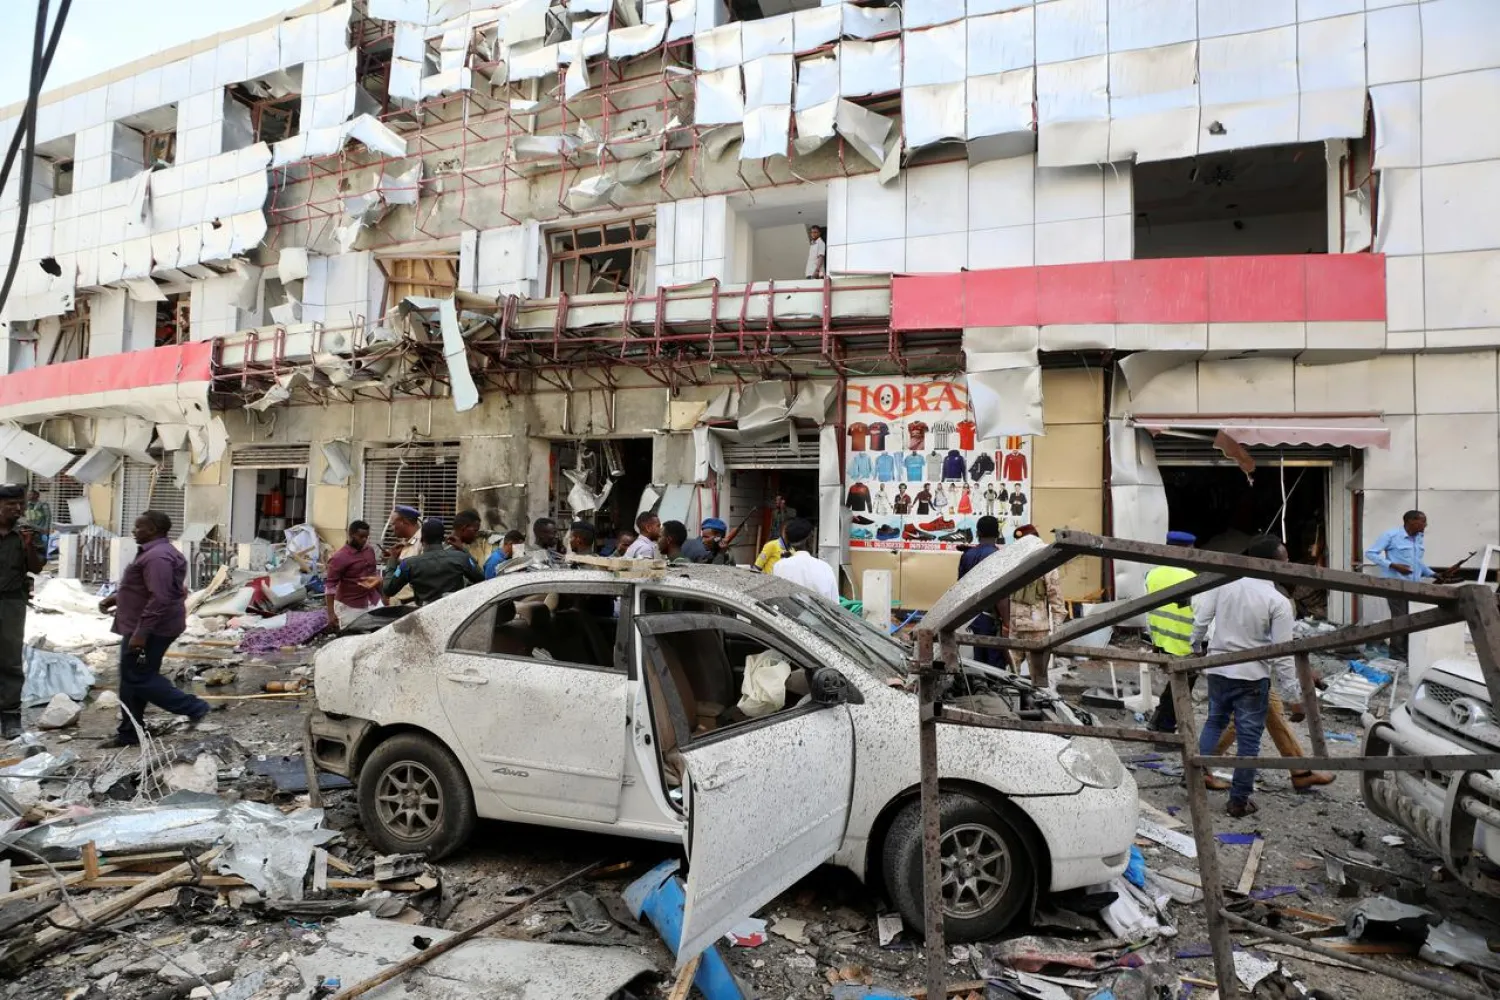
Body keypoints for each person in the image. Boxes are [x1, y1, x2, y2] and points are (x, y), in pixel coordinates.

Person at [1191, 535, 1300, 818]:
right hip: (1251, 676)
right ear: (1271, 563)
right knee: (1249, 739)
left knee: (1214, 722)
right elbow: (1283, 654)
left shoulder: (1224, 585)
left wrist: (1196, 647)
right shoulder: (1278, 601)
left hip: (1219, 669)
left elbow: (1202, 619)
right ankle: (1238, 801)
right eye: (1284, 560)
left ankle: (1195, 778)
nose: (1288, 564)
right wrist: (1293, 696)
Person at [99, 511, 210, 748]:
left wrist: (142, 633)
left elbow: (160, 597)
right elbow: (147, 587)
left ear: (153, 530)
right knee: (131, 679)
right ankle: (130, 732)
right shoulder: (155, 553)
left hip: (151, 628)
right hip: (143, 624)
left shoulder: (158, 557)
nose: (134, 531)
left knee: (138, 676)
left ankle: (194, 707)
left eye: (139, 527)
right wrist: (117, 598)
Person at [1145, 531, 1202, 735]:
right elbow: (1200, 613)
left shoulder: (1152, 574)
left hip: (1160, 638)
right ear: (1185, 550)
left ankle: (1157, 721)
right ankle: (1165, 729)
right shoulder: (1191, 578)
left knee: (1177, 682)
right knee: (1183, 685)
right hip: (1184, 640)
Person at [0, 485, 43, 738]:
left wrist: (28, 546)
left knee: (10, 660)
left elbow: (36, 568)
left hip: (11, 603)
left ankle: (10, 716)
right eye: (10, 504)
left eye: (20, 504)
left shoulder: (27, 532)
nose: (17, 508)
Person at [1365, 510, 1434, 661]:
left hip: (1413, 587)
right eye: (1422, 521)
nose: (1425, 525)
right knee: (1400, 620)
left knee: (1413, 620)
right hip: (1395, 585)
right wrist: (1393, 565)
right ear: (1411, 521)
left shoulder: (1418, 538)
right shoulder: (1391, 535)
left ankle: (1409, 654)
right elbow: (1371, 553)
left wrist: (1434, 574)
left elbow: (1418, 563)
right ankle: (1397, 655)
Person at [1007, 525, 1066, 673]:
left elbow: (1056, 596)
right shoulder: (1014, 561)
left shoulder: (1045, 560)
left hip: (1036, 628)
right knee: (1012, 671)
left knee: (1037, 671)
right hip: (1016, 627)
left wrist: (1057, 629)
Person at [384, 518, 483, 606]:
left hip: (425, 615)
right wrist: (463, 550)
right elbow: (481, 578)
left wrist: (392, 561)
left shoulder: (408, 564)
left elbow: (388, 589)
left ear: (422, 539)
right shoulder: (461, 558)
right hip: (454, 614)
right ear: (443, 538)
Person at [958, 516, 1004, 667]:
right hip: (991, 616)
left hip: (970, 616)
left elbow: (960, 588)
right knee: (994, 663)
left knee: (976, 660)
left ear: (978, 533)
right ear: (997, 533)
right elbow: (1001, 591)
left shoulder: (967, 555)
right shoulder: (998, 556)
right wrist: (1007, 621)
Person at [324, 520, 384, 630]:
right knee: (352, 635)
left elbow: (374, 575)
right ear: (351, 535)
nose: (364, 540)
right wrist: (331, 614)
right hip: (350, 605)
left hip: (373, 600)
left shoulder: (369, 550)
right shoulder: (339, 557)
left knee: (381, 631)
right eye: (361, 537)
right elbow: (330, 586)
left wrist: (383, 596)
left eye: (366, 537)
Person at [772, 518, 838, 601]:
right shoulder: (825, 568)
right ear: (809, 540)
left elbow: (776, 597)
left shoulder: (779, 566)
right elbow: (835, 604)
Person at [22, 489, 51, 556]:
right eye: (27, 494)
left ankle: (43, 558)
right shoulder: (27, 505)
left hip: (41, 529)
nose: (28, 496)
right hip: (31, 529)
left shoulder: (43, 504)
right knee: (31, 545)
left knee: (43, 545)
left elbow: (48, 516)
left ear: (36, 496)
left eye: (30, 494)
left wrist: (46, 528)